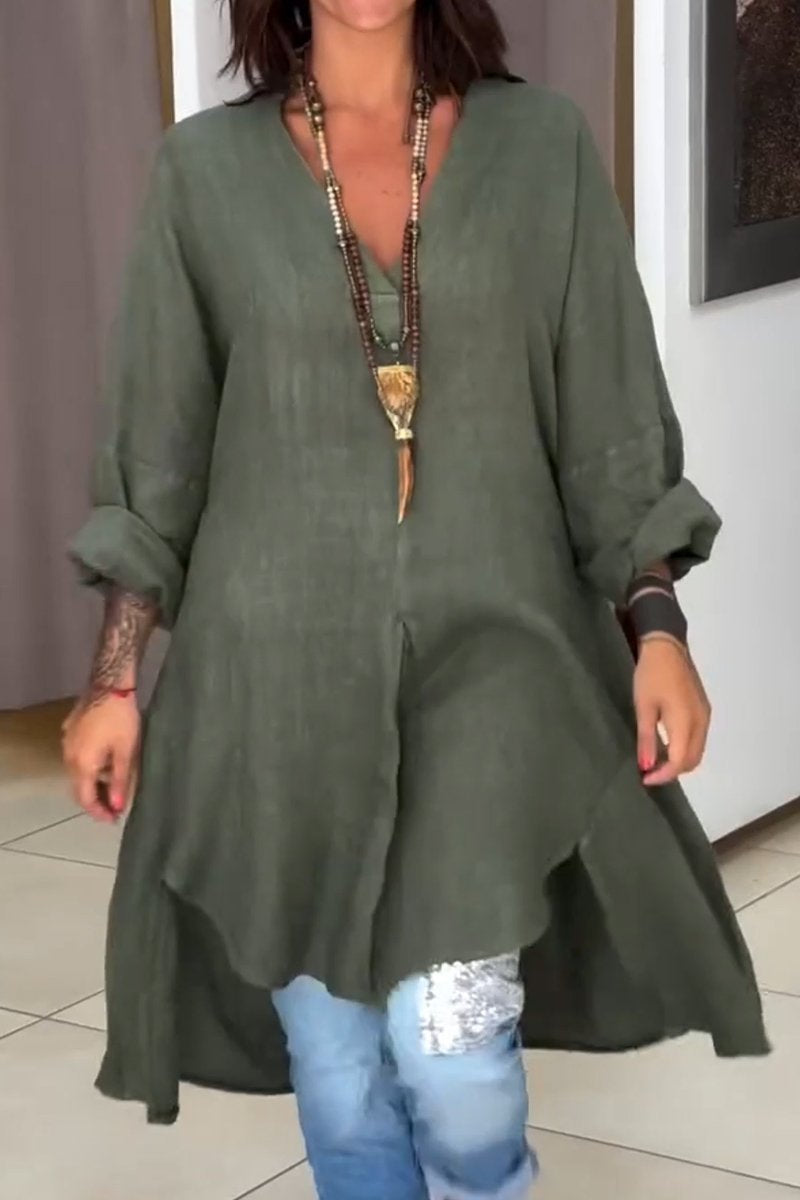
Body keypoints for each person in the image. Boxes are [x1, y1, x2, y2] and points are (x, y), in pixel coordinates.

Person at [63, 2, 768, 1197]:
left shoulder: (540, 149)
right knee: (340, 1082)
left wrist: (655, 625)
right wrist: (113, 677)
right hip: (272, 683)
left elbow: (606, 421)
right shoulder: (204, 173)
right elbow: (159, 450)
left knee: (454, 1066)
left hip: (495, 660)